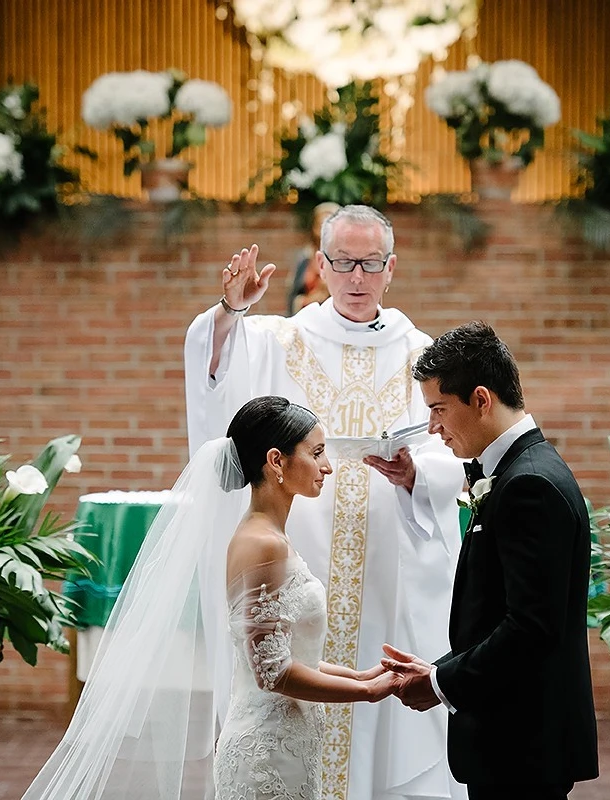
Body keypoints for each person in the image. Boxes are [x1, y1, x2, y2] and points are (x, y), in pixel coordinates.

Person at [185, 204, 466, 800]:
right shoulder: (278, 340)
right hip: (298, 559)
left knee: (386, 727)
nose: (356, 277)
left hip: (390, 577)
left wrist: (417, 471)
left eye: (370, 264)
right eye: (343, 262)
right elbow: (216, 376)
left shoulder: (425, 355)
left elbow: (455, 447)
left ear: (392, 268)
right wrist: (232, 309)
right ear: (321, 264)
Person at [24, 396, 396, 800]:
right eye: (317, 453)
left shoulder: (271, 536)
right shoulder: (262, 543)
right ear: (276, 461)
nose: (327, 466)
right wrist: (365, 694)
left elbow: (290, 653)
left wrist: (359, 676)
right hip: (267, 754)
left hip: (289, 744)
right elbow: (272, 672)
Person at [380, 322, 599, 800]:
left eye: (439, 409)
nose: (433, 427)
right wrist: (441, 667)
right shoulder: (517, 471)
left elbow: (530, 628)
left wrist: (439, 682)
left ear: (481, 399)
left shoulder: (529, 486)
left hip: (522, 748)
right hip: (516, 742)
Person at [287, 201, 339, 315]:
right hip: (308, 315)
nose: (324, 230)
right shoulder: (305, 257)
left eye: (329, 225)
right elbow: (294, 295)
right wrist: (308, 300)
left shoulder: (347, 258)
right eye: (320, 224)